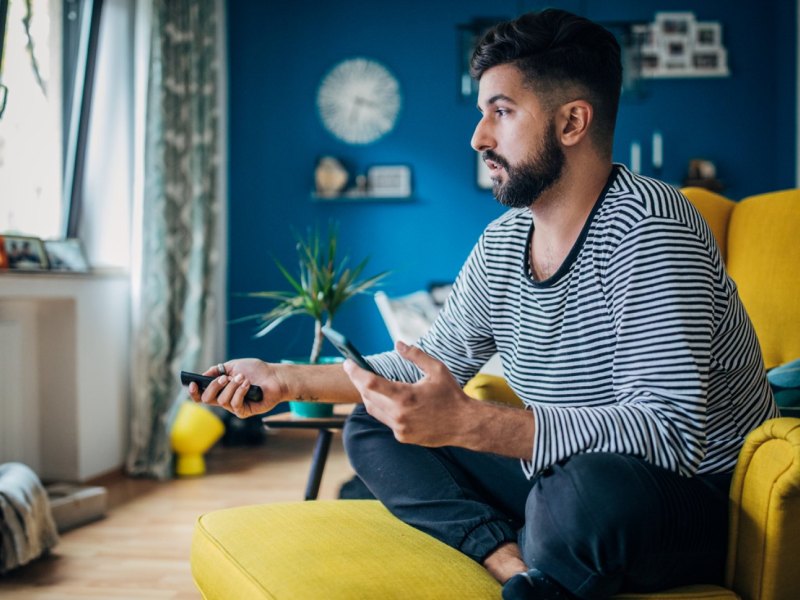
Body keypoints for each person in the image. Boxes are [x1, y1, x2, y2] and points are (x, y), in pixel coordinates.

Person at [189, 9, 778, 599]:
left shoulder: (650, 229)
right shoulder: (503, 243)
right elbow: (427, 361)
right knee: (379, 420)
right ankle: (513, 565)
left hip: (682, 495)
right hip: (559, 479)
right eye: (482, 114)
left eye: (501, 111)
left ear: (572, 120)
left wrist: (475, 425)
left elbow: (667, 432)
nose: (478, 138)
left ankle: (543, 555)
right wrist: (282, 379)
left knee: (581, 494)